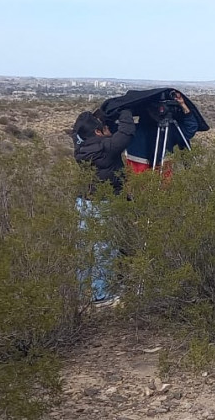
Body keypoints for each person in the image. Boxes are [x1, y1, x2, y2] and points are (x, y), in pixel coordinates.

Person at [72, 107, 135, 307]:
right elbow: (126, 133)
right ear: (98, 132)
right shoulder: (104, 149)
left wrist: (95, 117)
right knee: (104, 248)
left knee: (85, 248)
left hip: (84, 203)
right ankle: (102, 295)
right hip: (102, 204)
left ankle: (84, 292)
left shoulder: (80, 147)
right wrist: (125, 109)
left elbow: (78, 130)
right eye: (104, 128)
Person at [123, 90, 199, 175]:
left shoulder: (132, 130)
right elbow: (190, 128)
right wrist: (183, 105)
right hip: (154, 168)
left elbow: (190, 128)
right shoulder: (170, 130)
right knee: (161, 187)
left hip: (140, 168)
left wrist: (125, 112)